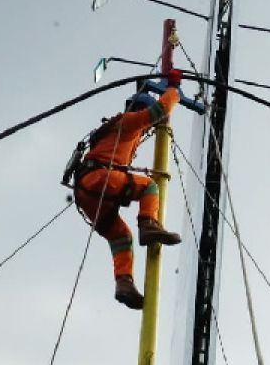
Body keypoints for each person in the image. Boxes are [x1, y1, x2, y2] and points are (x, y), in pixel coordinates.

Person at [72, 70, 185, 310]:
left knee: (120, 236)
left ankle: (124, 283)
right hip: (99, 179)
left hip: (87, 194)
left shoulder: (114, 133)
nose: (145, 129)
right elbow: (158, 112)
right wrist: (174, 92)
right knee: (149, 186)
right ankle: (148, 225)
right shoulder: (127, 121)